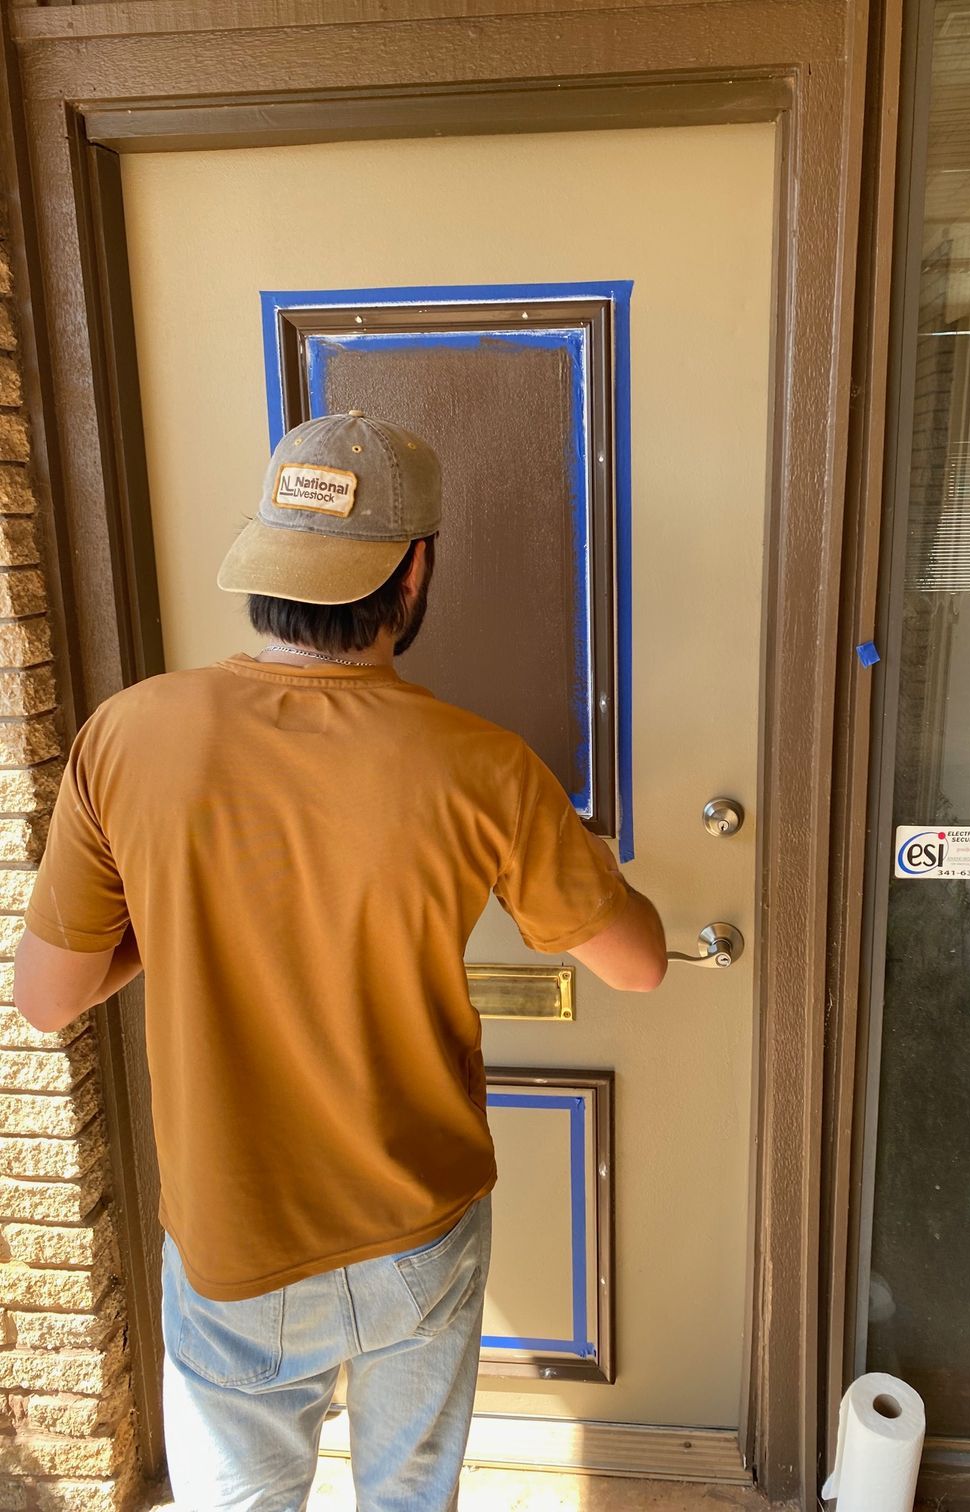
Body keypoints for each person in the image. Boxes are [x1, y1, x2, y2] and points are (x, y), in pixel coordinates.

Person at [13, 410, 667, 1511]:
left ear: (268, 557)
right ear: (413, 575)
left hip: (233, 1244)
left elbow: (47, 998)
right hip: (419, 1225)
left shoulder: (126, 737)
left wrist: (169, 915)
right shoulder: (485, 769)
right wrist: (572, 855)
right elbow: (639, 964)